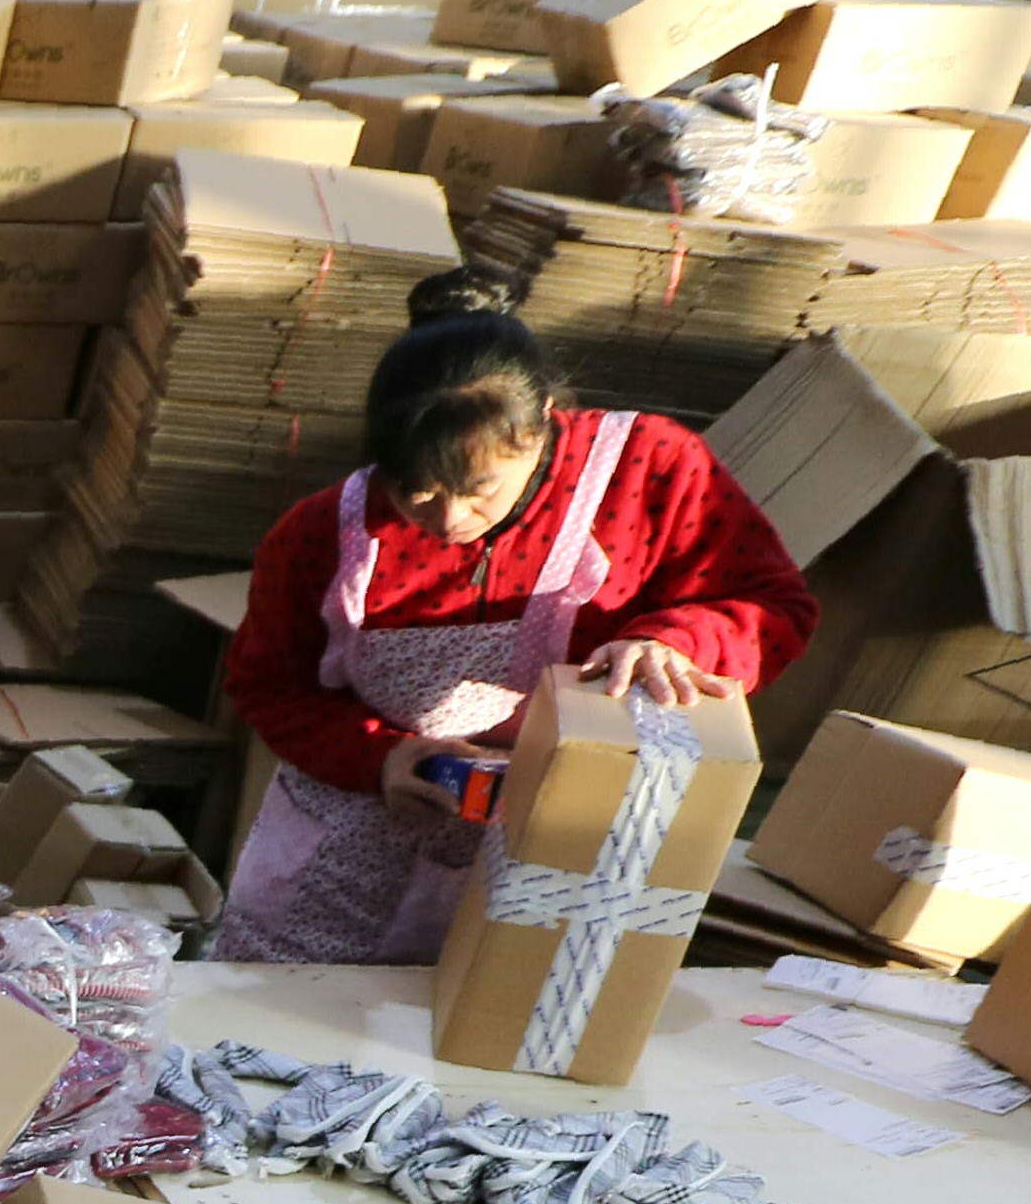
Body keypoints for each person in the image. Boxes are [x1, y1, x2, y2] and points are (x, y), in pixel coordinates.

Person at [213, 268, 814, 964]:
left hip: (551, 867)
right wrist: (382, 756)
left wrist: (676, 642)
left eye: (476, 491)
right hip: (341, 871)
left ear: (538, 430)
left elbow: (776, 607)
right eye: (417, 494)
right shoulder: (323, 534)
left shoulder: (651, 471)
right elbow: (267, 685)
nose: (449, 520)